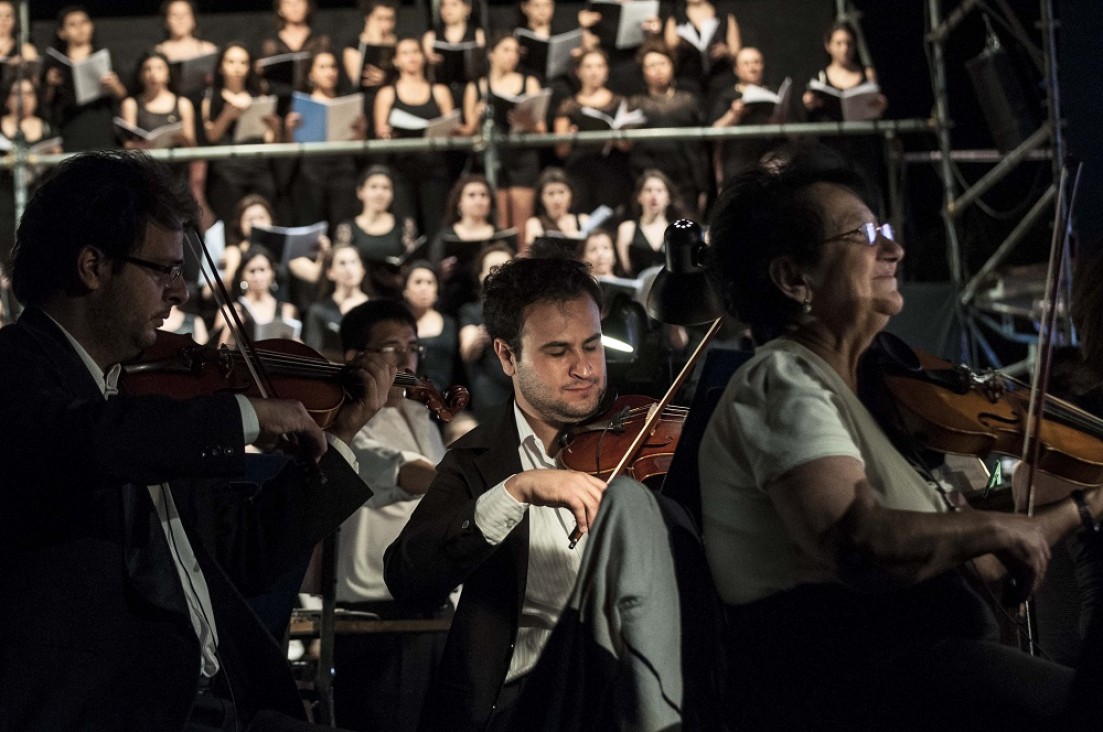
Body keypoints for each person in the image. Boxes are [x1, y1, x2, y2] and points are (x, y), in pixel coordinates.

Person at [699, 147, 1103, 730]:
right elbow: (858, 544)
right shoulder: (780, 378)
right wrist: (996, 527)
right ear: (794, 278)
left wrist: (1046, 526)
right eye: (863, 234)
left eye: (885, 230)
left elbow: (975, 558)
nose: (894, 248)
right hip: (879, 687)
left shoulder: (858, 405)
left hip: (928, 677)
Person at [0, 150, 395, 731]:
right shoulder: (17, 369)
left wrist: (340, 435)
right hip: (102, 709)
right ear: (92, 266)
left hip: (218, 700)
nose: (180, 293)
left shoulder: (150, 402)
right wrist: (246, 415)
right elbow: (88, 443)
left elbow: (246, 558)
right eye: (163, 271)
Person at [385, 256, 610, 732]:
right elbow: (409, 576)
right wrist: (516, 489)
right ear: (508, 356)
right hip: (519, 706)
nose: (584, 367)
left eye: (592, 345)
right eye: (557, 351)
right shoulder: (476, 460)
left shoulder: (636, 440)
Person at [332, 299, 449, 732]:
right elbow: (397, 470)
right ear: (354, 357)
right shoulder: (344, 418)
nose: (407, 359)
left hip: (425, 600)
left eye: (413, 347)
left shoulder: (422, 415)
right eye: (391, 348)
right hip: (370, 610)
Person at [461, 32, 544, 235]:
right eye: (506, 50)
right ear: (491, 53)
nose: (512, 56)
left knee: (522, 225)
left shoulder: (529, 82)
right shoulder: (476, 86)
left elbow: (541, 129)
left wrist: (526, 121)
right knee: (500, 222)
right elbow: (469, 130)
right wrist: (477, 114)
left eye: (515, 51)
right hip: (493, 155)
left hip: (522, 155)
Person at [373, 37, 454, 241]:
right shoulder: (387, 93)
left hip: (434, 168)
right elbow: (380, 132)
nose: (411, 57)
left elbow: (451, 126)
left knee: (437, 226)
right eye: (405, 53)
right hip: (401, 170)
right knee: (406, 227)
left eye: (416, 51)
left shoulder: (440, 91)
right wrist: (387, 134)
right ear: (396, 60)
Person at [200, 43, 279, 226]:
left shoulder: (259, 96)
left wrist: (275, 128)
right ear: (221, 66)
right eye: (231, 61)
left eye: (243, 62)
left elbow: (269, 141)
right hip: (228, 168)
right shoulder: (213, 96)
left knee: (264, 212)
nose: (237, 67)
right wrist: (226, 116)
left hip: (258, 165)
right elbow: (211, 135)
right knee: (230, 218)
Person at [629, 42, 709, 218]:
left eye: (662, 64)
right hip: (648, 183)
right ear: (643, 71)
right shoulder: (635, 104)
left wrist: (702, 186)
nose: (658, 70)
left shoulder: (688, 100)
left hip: (686, 182)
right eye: (651, 66)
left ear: (672, 66)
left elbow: (702, 147)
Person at [553, 48, 633, 215]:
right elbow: (561, 150)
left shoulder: (620, 102)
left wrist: (619, 138)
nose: (594, 72)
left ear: (606, 71)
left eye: (599, 66)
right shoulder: (569, 105)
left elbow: (627, 146)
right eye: (588, 67)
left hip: (613, 171)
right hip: (580, 171)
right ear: (578, 71)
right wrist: (569, 136)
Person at [40, 6, 126, 151]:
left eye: (84, 22)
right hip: (70, 126)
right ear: (62, 32)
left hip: (100, 124)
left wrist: (113, 84)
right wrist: (51, 84)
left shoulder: (104, 56)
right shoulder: (55, 62)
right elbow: (45, 101)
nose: (80, 28)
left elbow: (123, 93)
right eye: (72, 24)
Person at [333, 165, 416, 301]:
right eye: (374, 187)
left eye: (386, 188)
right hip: (359, 296)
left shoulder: (404, 225)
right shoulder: (347, 228)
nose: (380, 193)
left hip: (396, 295)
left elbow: (411, 264)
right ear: (360, 192)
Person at [709, 46, 781, 186]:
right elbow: (714, 131)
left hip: (770, 161)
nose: (752, 68)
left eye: (756, 62)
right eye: (746, 63)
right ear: (736, 69)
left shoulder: (775, 93)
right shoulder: (726, 95)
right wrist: (733, 114)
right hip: (737, 162)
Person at [303, 242, 369, 359]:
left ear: (362, 269)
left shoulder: (377, 309)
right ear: (330, 273)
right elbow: (314, 354)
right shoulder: (318, 311)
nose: (349, 269)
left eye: (354, 262)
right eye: (342, 263)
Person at [615, 168, 685, 277]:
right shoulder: (627, 229)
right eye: (648, 190)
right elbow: (625, 268)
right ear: (639, 197)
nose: (654, 195)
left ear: (668, 198)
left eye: (659, 190)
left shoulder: (677, 232)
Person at [522, 167, 589, 252]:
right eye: (550, 193)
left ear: (571, 194)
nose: (556, 199)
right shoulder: (535, 223)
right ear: (541, 198)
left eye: (561, 192)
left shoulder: (583, 220)